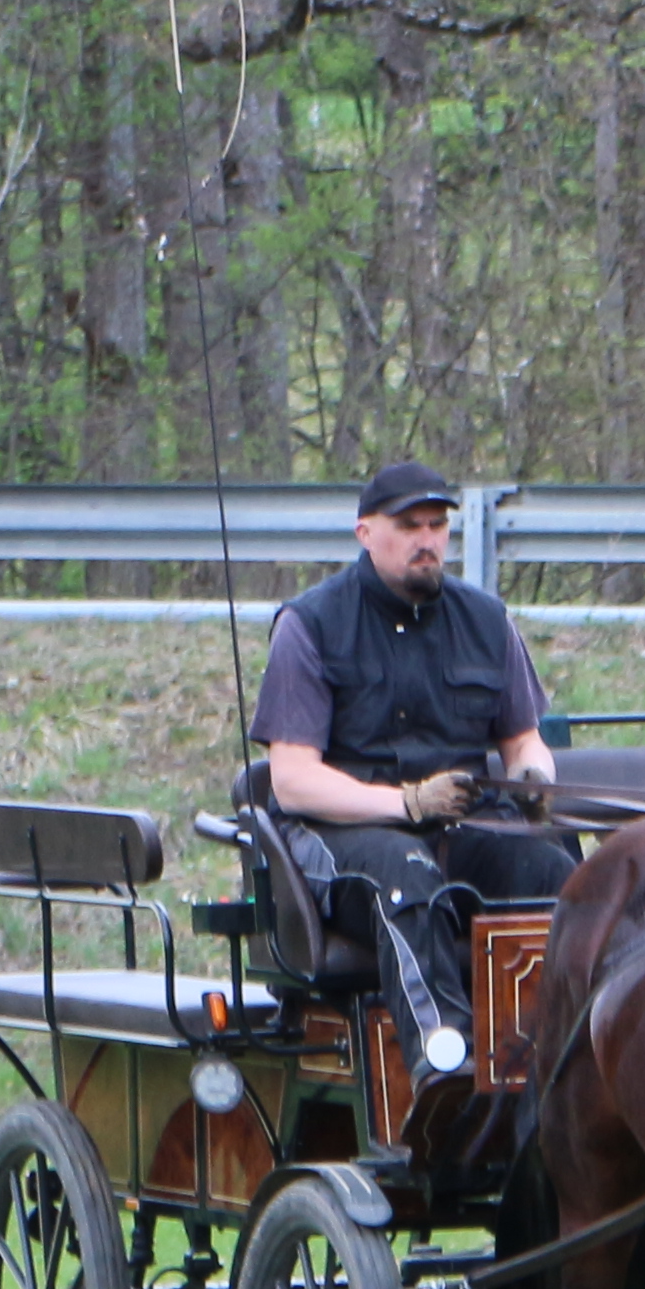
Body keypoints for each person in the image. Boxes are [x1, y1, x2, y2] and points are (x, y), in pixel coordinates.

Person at [252, 462, 576, 1085]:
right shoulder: (311, 625)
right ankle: (443, 1065)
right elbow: (291, 781)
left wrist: (533, 780)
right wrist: (406, 805)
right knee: (406, 878)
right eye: (408, 526)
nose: (427, 539)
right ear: (365, 533)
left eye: (437, 525)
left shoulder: (486, 620)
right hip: (339, 834)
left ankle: (562, 1058)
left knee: (552, 873)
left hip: (464, 823)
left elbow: (523, 740)